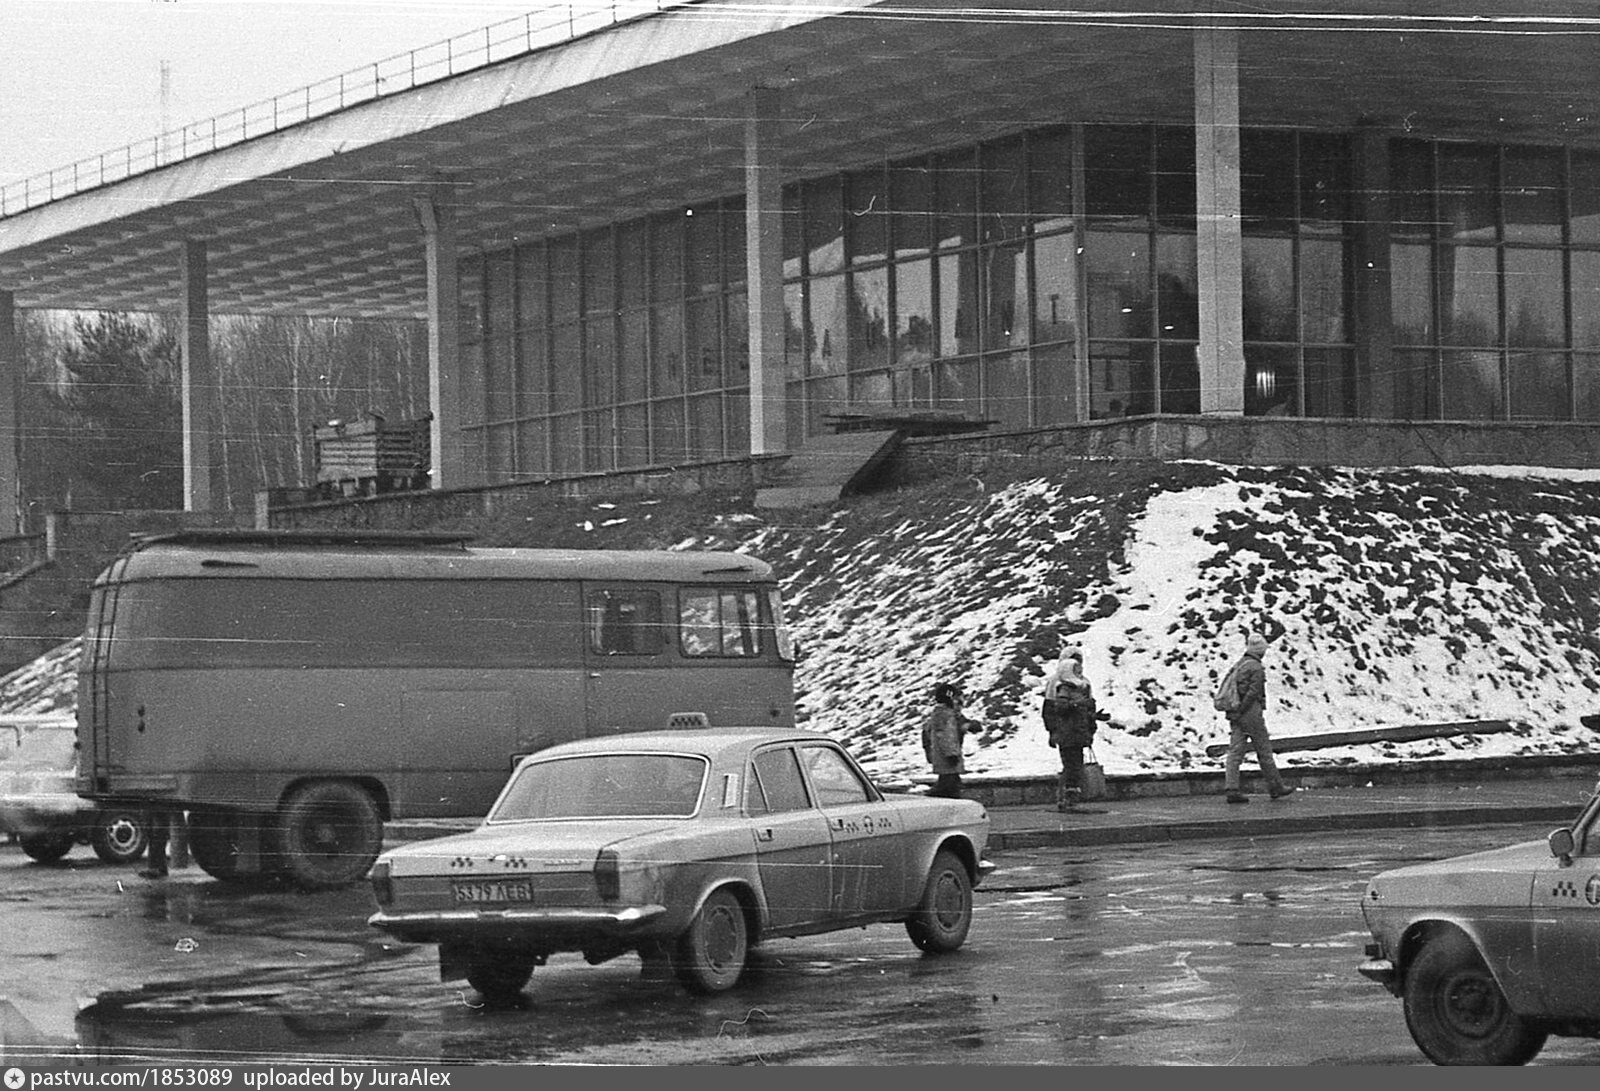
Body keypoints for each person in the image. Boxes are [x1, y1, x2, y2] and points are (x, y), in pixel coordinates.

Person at [1222, 631, 1294, 804]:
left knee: (1235, 752)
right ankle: (1275, 786)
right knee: (1264, 750)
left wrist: (1236, 711)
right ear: (1259, 650)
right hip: (1250, 714)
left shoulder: (1240, 663)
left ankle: (1231, 788)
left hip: (1236, 713)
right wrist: (1243, 710)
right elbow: (1253, 693)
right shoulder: (1256, 667)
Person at [1042, 646, 1104, 813]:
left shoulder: (1084, 682)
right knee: (1071, 764)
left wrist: (1092, 723)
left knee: (1073, 764)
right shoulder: (1056, 682)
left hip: (1078, 730)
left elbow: (1088, 707)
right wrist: (1052, 730)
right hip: (1066, 730)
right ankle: (1065, 797)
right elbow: (1050, 709)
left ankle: (1069, 796)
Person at [922, 681, 967, 799]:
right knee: (949, 788)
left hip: (946, 761)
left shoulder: (945, 715)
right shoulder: (944, 716)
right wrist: (951, 754)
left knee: (949, 785)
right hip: (947, 761)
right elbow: (946, 736)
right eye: (957, 699)